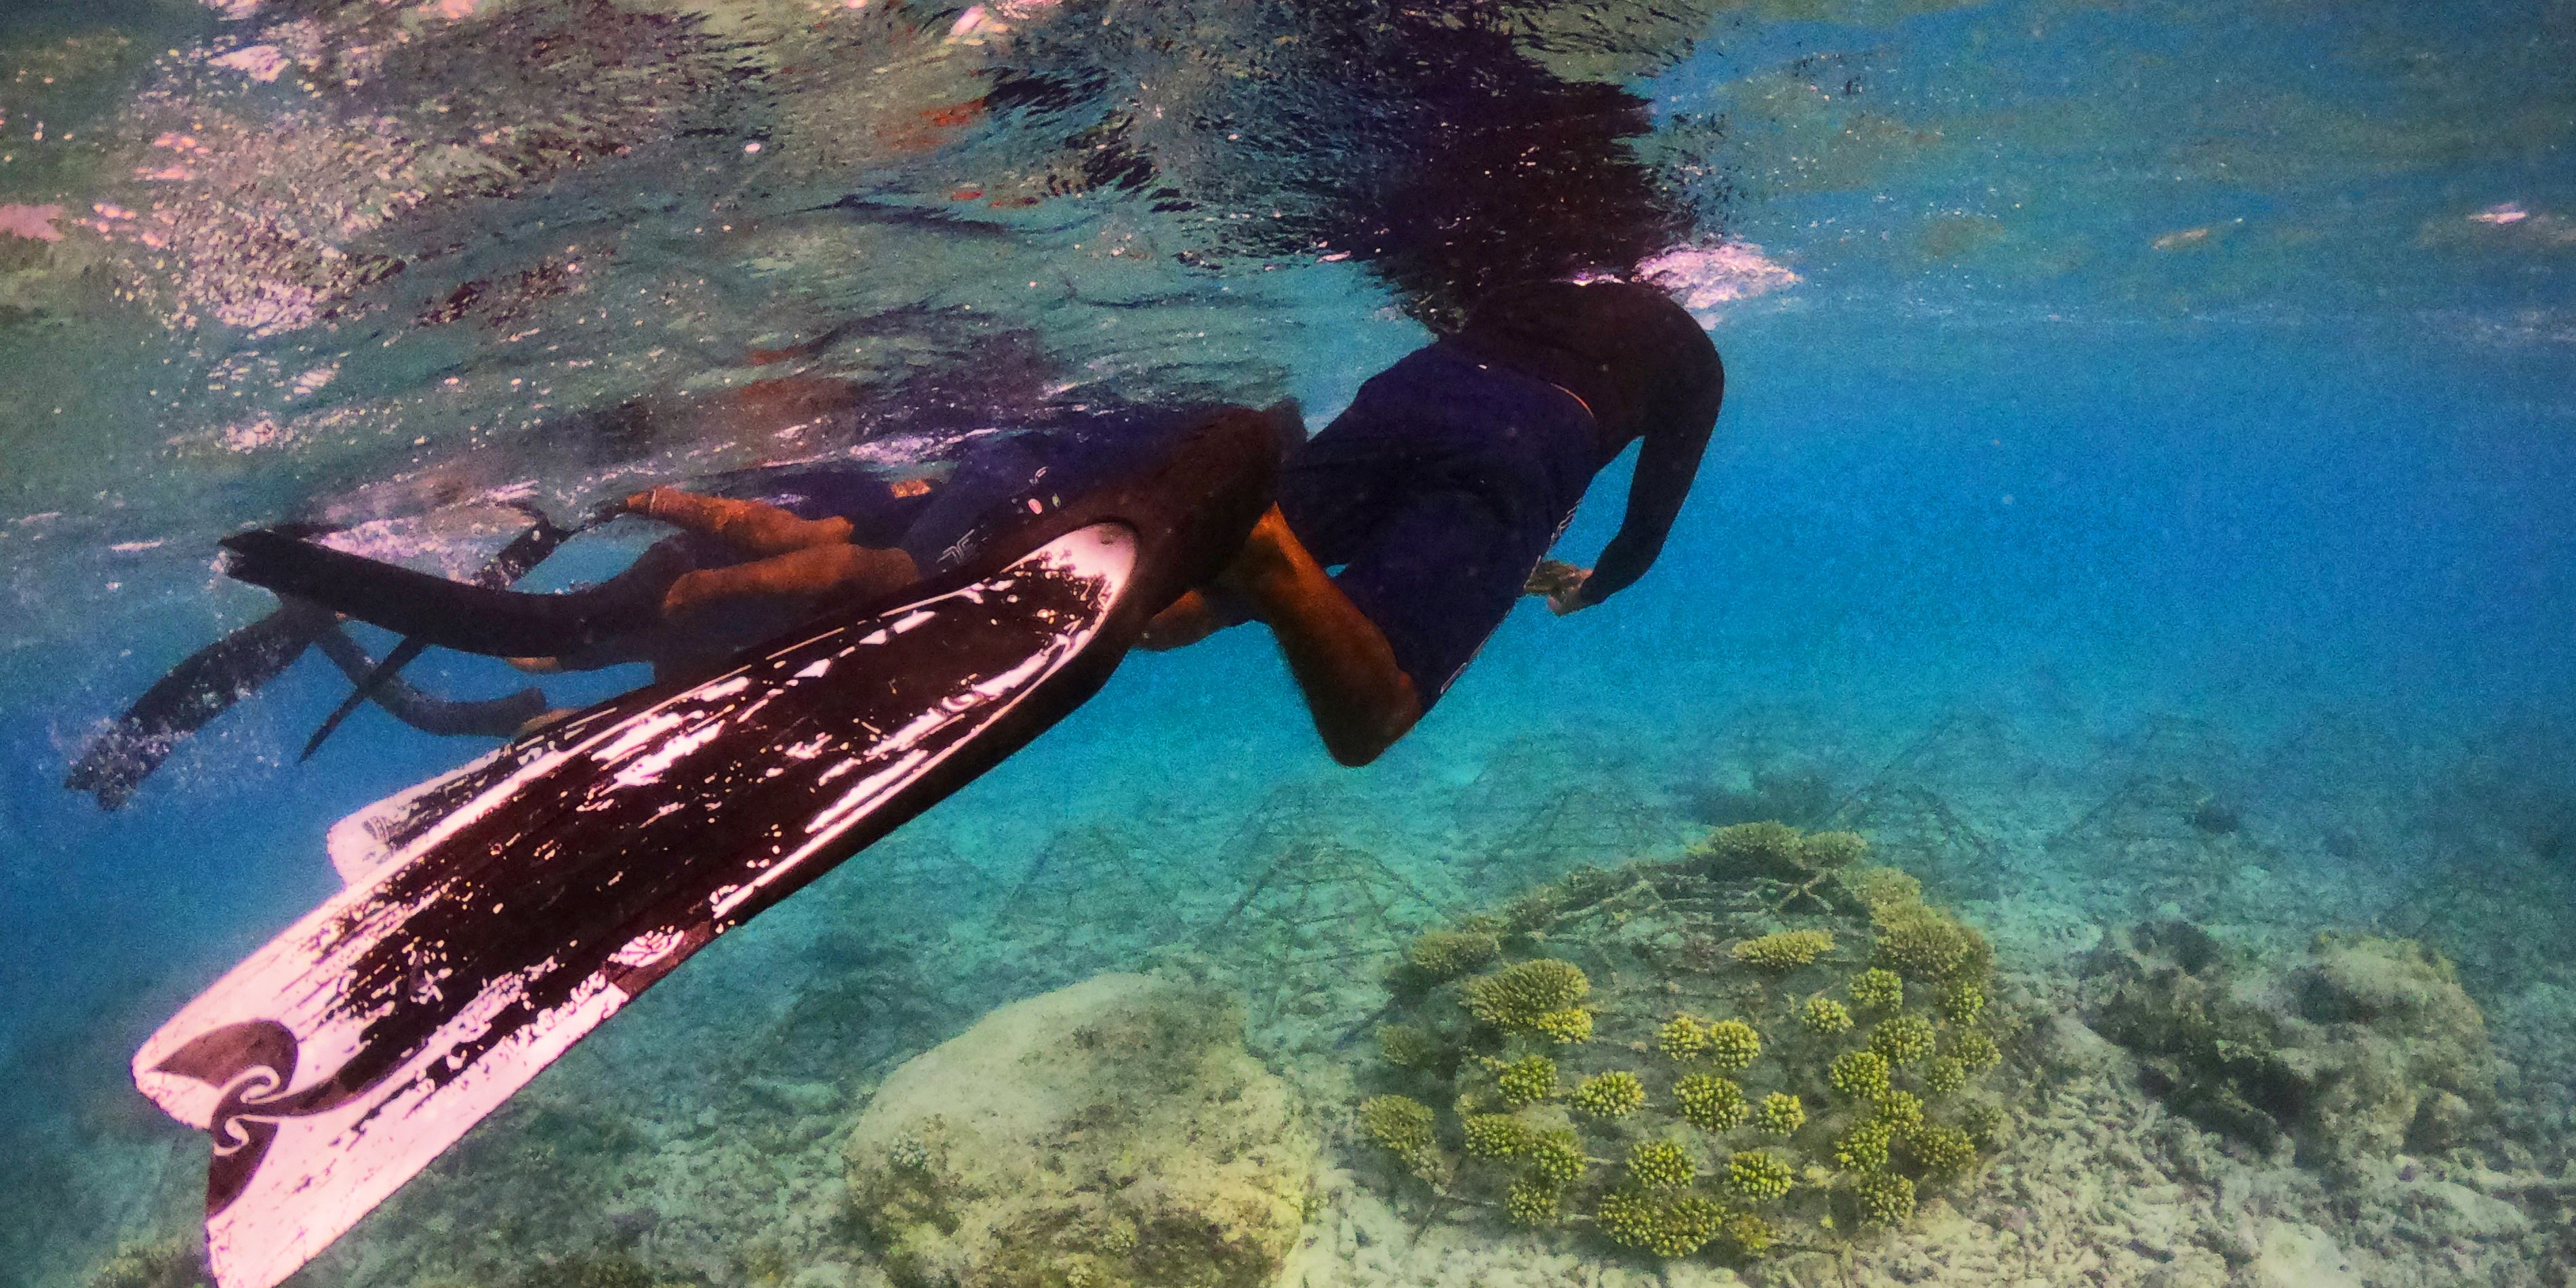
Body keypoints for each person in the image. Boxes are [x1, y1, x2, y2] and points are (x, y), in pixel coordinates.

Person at [215, 279, 1723, 767]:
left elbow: (1433, 390)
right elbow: (1648, 508)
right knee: (1374, 708)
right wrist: (1595, 577)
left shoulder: (1513, 293)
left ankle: (1204, 549)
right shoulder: (1685, 359)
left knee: (1184, 603)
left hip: (1414, 392)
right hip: (1518, 444)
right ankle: (1243, 540)